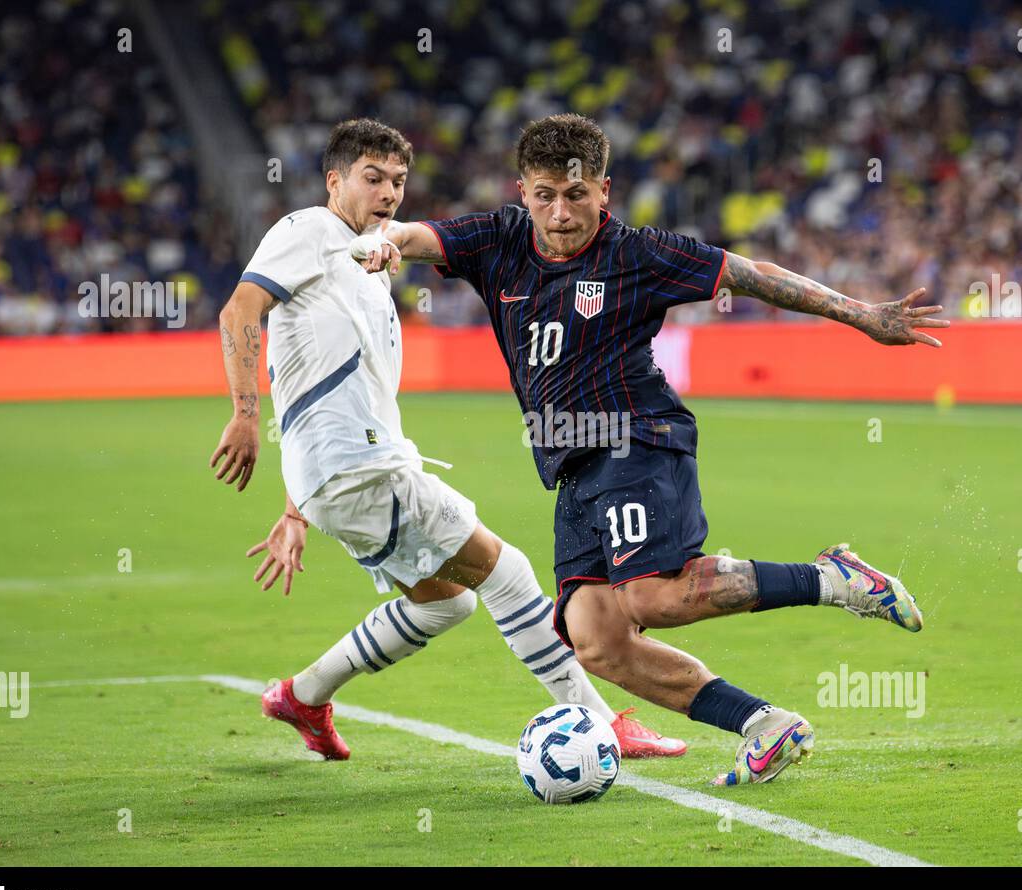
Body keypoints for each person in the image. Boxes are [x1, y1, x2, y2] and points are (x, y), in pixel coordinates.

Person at [358, 113, 948, 786]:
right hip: (571, 469)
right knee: (596, 640)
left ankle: (834, 579)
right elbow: (414, 233)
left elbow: (751, 275)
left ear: (603, 191)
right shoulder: (494, 240)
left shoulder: (636, 254)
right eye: (545, 194)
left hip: (635, 436)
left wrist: (863, 315)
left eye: (576, 195)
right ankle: (764, 723)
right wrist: (386, 243)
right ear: (523, 191)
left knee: (651, 597)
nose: (560, 212)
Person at [208, 119, 685, 762]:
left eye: (398, 182)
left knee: (444, 604)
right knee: (508, 573)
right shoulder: (307, 232)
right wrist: (244, 415)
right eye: (371, 178)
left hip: (342, 473)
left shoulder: (369, 261)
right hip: (360, 470)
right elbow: (238, 311)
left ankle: (304, 695)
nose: (388, 193)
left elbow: (326, 381)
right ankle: (601, 723)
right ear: (334, 180)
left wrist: (298, 504)